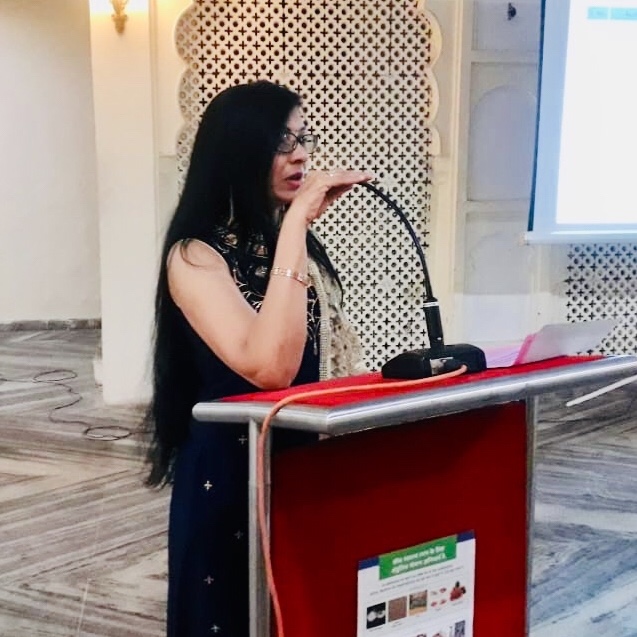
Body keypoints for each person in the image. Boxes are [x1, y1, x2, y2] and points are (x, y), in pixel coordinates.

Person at [143, 80, 371, 636]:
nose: (299, 155)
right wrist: (296, 226)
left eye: (302, 137)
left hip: (300, 464)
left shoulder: (285, 244)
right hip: (231, 477)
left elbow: (322, 358)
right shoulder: (195, 256)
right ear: (238, 150)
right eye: (280, 141)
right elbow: (269, 367)